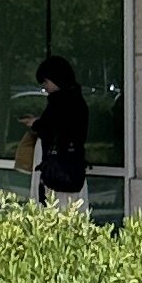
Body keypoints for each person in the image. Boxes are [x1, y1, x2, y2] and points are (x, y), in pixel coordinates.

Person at [30, 54, 91, 213]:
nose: (45, 86)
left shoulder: (59, 102)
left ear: (56, 79)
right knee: (72, 210)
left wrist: (36, 124)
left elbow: (51, 128)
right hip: (73, 165)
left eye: (46, 82)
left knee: (52, 207)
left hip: (56, 166)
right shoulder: (77, 100)